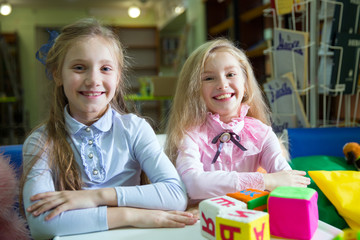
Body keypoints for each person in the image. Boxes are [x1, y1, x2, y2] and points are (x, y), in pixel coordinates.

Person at [20, 18, 197, 240]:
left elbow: (175, 195)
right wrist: (131, 215)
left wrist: (95, 197)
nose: (93, 79)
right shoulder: (41, 141)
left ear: (118, 75)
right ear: (57, 74)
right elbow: (41, 225)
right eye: (79, 67)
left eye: (105, 68)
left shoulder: (135, 128)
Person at [165, 38, 311, 207]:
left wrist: (274, 181)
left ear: (246, 83)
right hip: (202, 223)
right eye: (209, 78)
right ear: (195, 89)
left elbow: (288, 179)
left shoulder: (261, 133)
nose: (222, 84)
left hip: (248, 220)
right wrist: (266, 180)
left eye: (230, 74)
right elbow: (194, 185)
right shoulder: (191, 135)